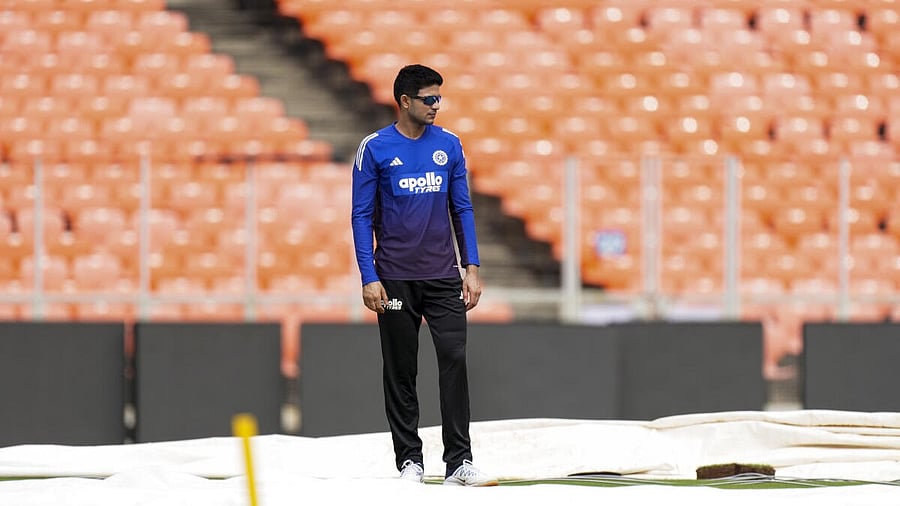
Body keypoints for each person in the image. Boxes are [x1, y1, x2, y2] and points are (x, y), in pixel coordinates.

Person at [350, 64, 497, 487]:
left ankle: (460, 462)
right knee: (400, 368)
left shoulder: (449, 145)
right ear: (405, 102)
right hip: (393, 277)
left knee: (454, 359)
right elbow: (360, 216)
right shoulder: (374, 148)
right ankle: (409, 462)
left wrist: (472, 266)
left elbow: (462, 208)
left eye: (440, 99)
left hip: (442, 277)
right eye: (430, 99)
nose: (437, 106)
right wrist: (368, 275)